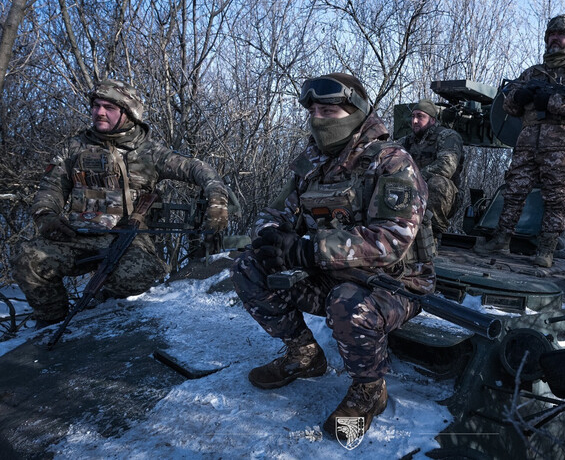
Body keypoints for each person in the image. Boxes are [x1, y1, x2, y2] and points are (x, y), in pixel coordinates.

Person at [229, 73, 435, 439]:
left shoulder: (391, 162)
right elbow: (275, 212)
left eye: (329, 110)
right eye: (314, 111)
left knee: (347, 303)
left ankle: (370, 390)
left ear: (354, 112)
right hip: (331, 272)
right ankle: (304, 355)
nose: (319, 119)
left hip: (396, 281)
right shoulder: (311, 164)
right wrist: (270, 239)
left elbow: (392, 240)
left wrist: (309, 249)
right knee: (248, 267)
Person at [12, 79, 233, 328]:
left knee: (137, 276)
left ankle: (100, 316)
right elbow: (51, 188)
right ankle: (51, 323)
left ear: (129, 113)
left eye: (109, 107)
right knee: (28, 258)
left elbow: (200, 170)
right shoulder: (74, 147)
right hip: (77, 234)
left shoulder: (149, 152)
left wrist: (217, 200)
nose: (99, 112)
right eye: (96, 105)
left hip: (130, 237)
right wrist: (46, 216)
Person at [476, 14, 565, 267]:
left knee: (555, 197)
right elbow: (507, 105)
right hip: (527, 141)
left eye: (560, 35)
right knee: (514, 191)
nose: (555, 39)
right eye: (551, 34)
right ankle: (501, 240)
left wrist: (550, 102)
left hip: (560, 145)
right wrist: (521, 96)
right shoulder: (533, 72)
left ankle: (546, 250)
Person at [398, 99, 464, 240]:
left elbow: (446, 166)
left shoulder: (447, 136)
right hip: (412, 191)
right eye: (413, 116)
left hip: (445, 195)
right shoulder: (406, 141)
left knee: (437, 183)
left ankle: (433, 234)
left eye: (420, 116)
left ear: (432, 120)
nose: (415, 121)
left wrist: (411, 177)